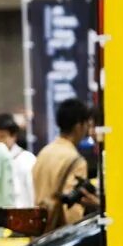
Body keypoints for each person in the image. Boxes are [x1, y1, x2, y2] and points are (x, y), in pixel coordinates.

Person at [33, 98, 95, 232]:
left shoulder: (44, 152)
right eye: (86, 125)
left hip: (39, 232)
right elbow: (72, 208)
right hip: (59, 234)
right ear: (79, 126)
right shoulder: (75, 160)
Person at [0, 114, 34, 208]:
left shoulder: (27, 159)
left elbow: (32, 192)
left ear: (13, 136)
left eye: (2, 136)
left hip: (23, 215)